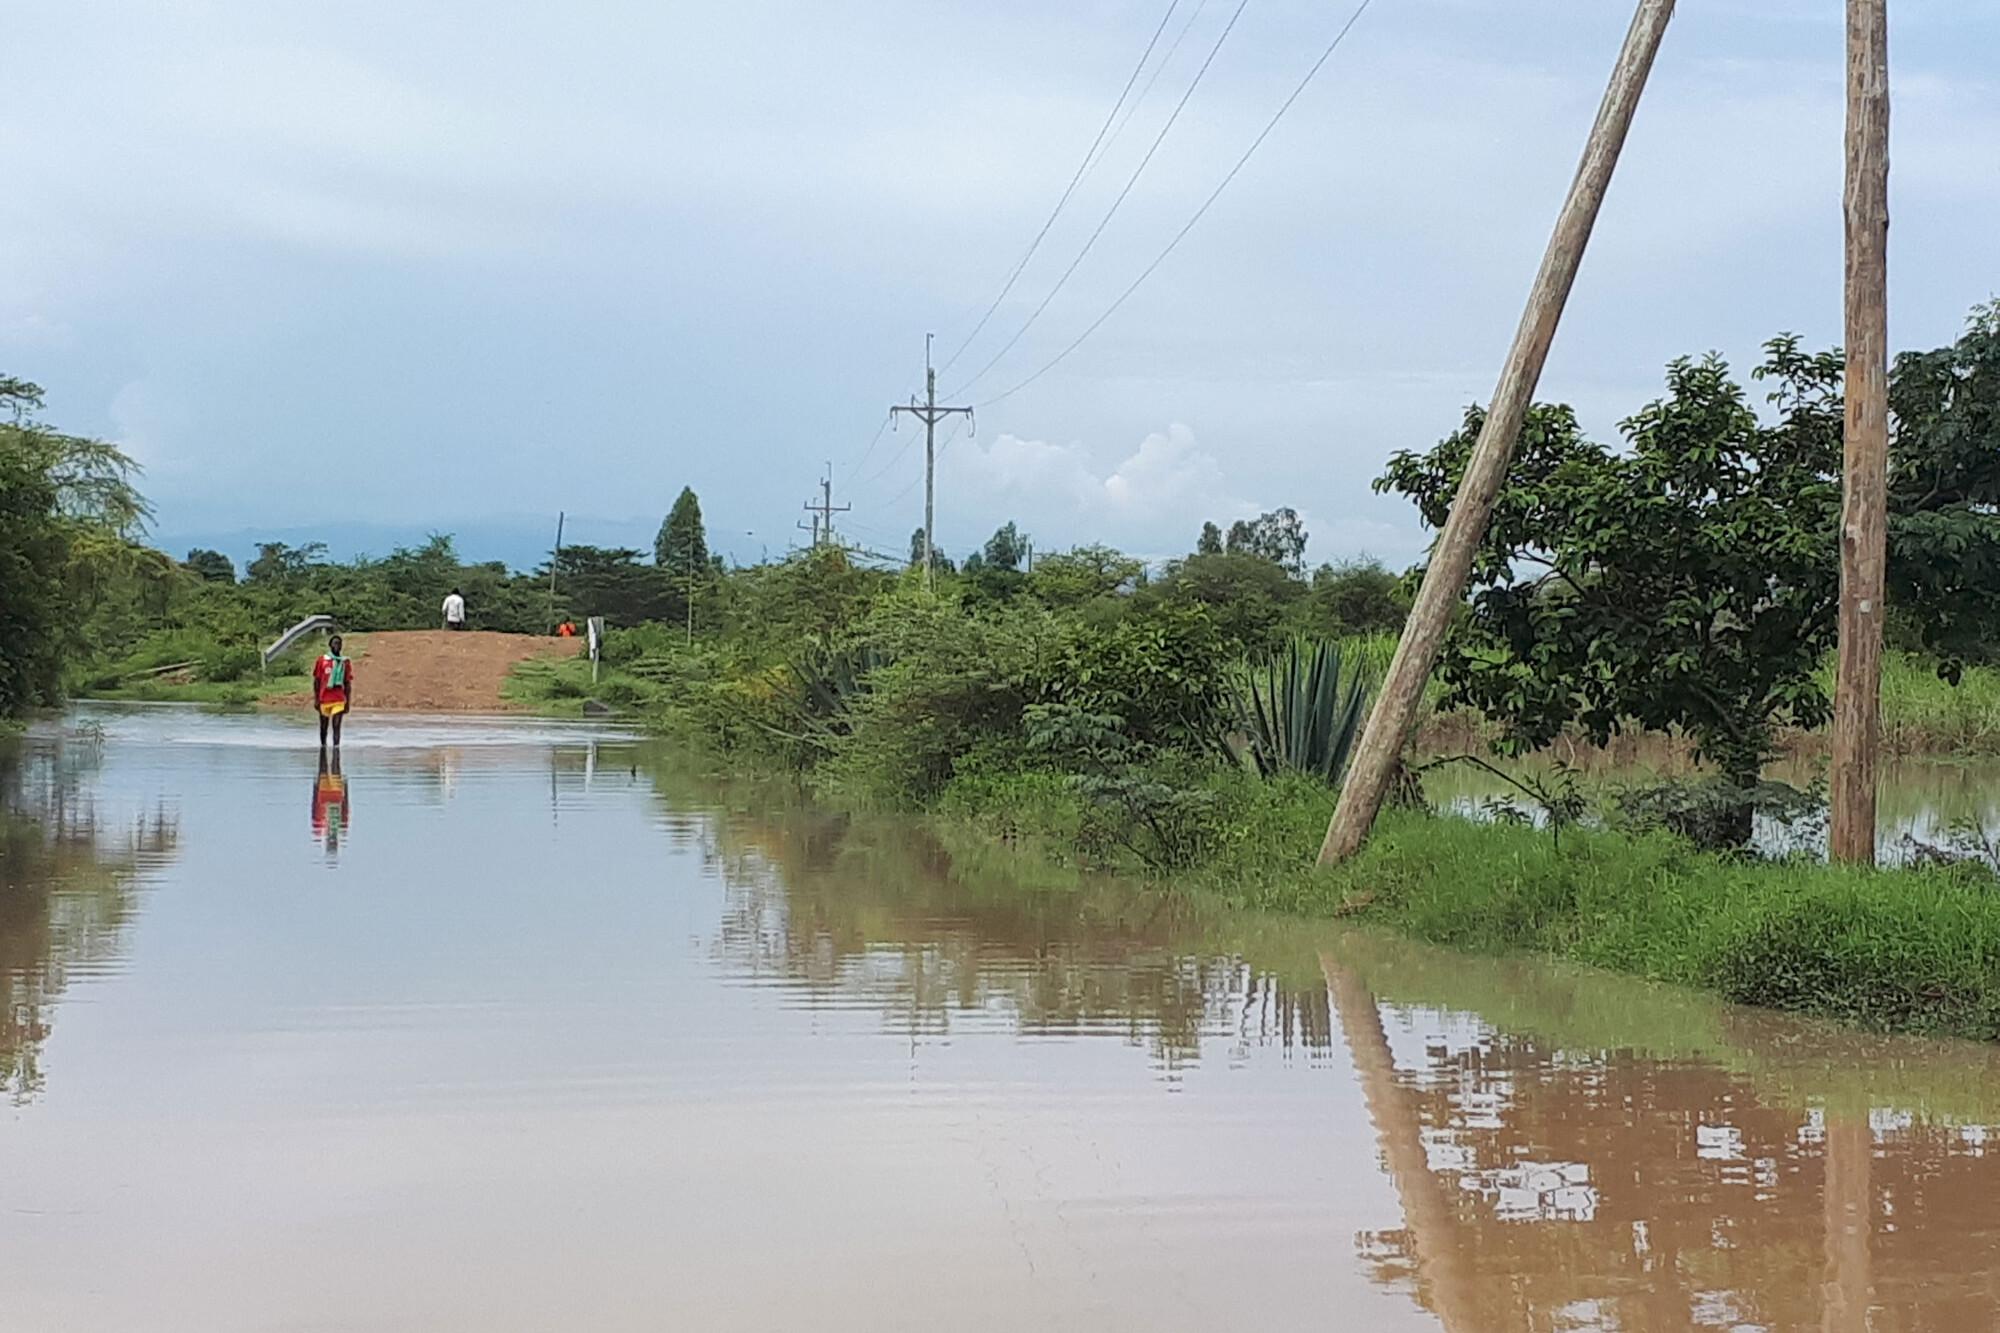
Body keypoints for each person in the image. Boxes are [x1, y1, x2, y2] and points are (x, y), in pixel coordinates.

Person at [313, 634, 354, 748]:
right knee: (323, 727)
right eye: (335, 643)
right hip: (324, 698)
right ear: (330, 645)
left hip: (338, 698)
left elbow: (347, 683)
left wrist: (348, 702)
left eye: (339, 643)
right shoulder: (322, 661)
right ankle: (323, 748)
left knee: (337, 726)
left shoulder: (345, 662)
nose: (337, 645)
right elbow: (317, 681)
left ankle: (336, 750)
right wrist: (316, 699)